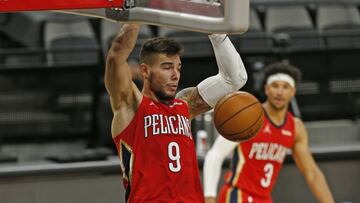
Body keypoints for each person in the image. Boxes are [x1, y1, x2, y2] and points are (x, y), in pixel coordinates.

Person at [104, 23, 248, 202]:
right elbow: (115, 57)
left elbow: (234, 79)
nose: (175, 75)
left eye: (178, 68)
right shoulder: (131, 105)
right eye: (166, 67)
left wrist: (215, 31)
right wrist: (134, 16)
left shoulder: (185, 105)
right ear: (145, 71)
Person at [203, 62, 334, 203]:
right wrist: (209, 197)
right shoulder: (248, 116)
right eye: (275, 86)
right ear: (266, 89)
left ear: (293, 92)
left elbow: (312, 173)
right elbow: (215, 155)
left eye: (285, 87)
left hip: (264, 199)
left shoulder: (295, 127)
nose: (279, 92)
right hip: (238, 195)